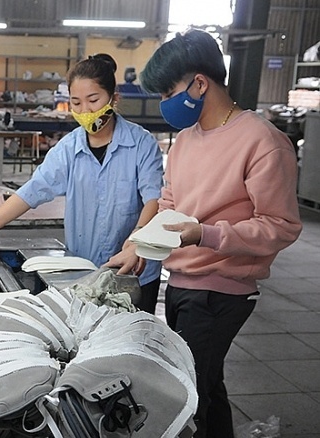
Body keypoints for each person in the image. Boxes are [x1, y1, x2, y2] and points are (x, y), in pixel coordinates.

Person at [139, 29, 302, 438]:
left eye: (168, 92)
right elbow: (169, 203)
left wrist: (206, 235)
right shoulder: (184, 141)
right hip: (180, 281)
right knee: (206, 384)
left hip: (221, 291)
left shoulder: (262, 141)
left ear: (199, 83)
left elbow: (280, 225)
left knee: (187, 394)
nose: (164, 103)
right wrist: (138, 244)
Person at [0, 54, 164, 313]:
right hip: (84, 270)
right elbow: (32, 191)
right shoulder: (68, 149)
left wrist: (137, 240)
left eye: (93, 100)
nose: (85, 111)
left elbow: (154, 199)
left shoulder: (141, 144)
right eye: (76, 103)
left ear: (113, 98)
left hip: (134, 273)